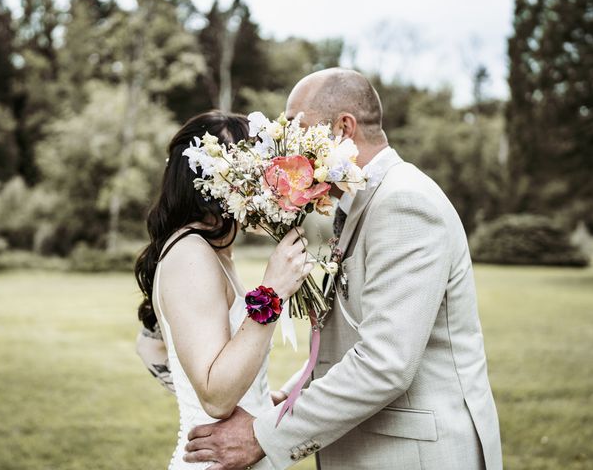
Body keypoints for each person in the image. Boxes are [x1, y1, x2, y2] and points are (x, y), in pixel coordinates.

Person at [183, 69, 503, 470]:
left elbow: (385, 362)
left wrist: (262, 435)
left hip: (416, 456)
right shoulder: (359, 203)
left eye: (299, 131)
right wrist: (297, 391)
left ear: (344, 128)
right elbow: (355, 332)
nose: (288, 151)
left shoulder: (404, 203)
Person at [134, 110, 314, 470]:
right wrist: (272, 293)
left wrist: (263, 402)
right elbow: (216, 397)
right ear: (213, 180)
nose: (265, 180)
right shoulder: (190, 254)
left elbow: (149, 343)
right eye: (252, 169)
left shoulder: (213, 253)